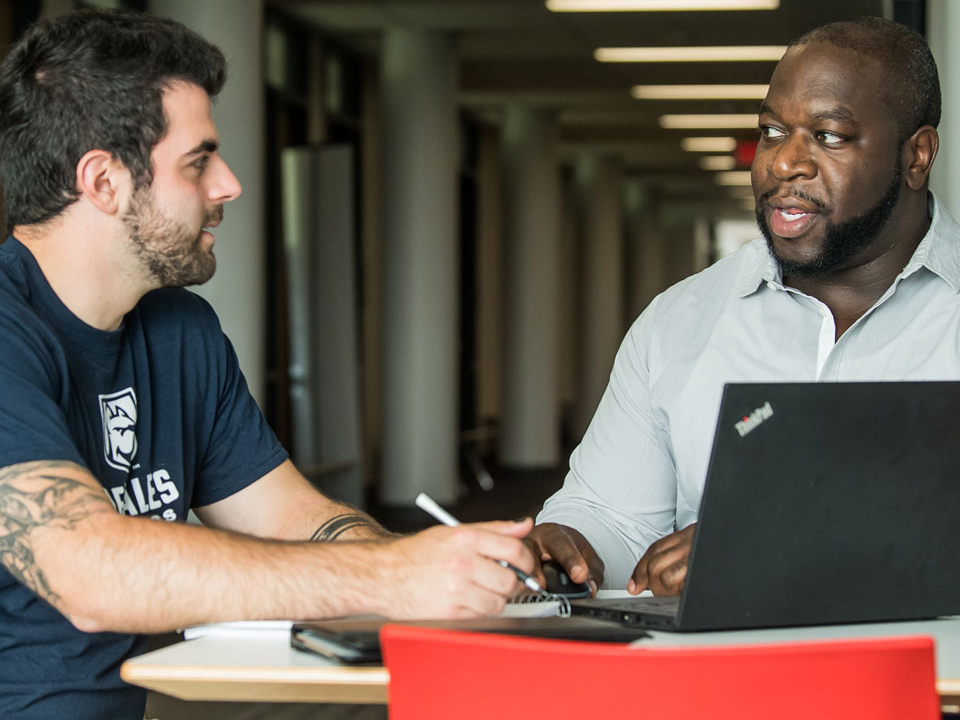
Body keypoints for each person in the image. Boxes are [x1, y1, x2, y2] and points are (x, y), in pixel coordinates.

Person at [0, 9, 535, 720]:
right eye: (198, 162)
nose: (229, 185)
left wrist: (435, 572)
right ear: (103, 182)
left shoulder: (179, 328)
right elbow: (89, 571)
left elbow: (294, 518)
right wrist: (385, 575)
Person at [529, 16, 953, 598]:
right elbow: (616, 514)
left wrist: (775, 547)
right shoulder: (678, 322)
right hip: (720, 681)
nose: (784, 164)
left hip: (932, 682)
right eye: (774, 132)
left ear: (917, 155)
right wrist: (567, 545)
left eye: (828, 135)